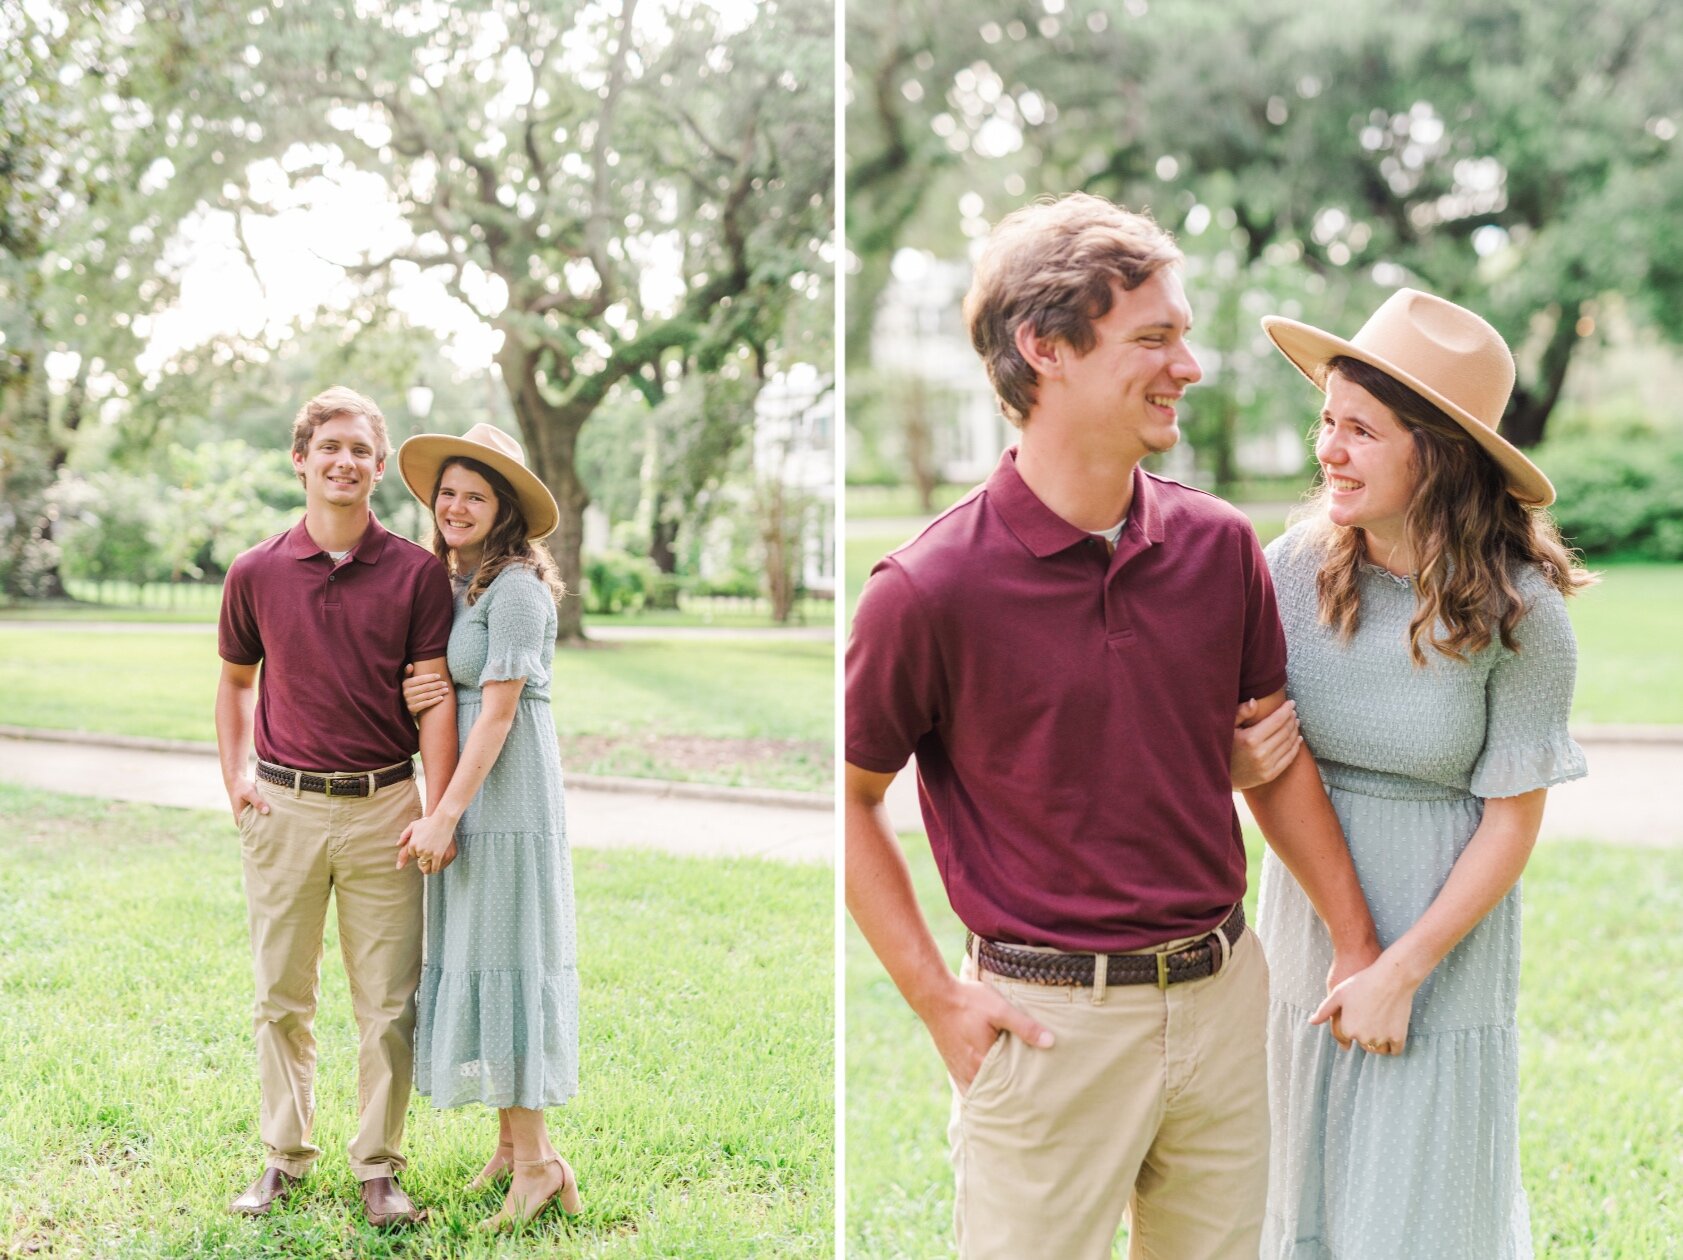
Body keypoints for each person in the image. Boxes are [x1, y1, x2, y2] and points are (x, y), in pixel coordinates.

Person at [844, 192, 1381, 1260]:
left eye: (1183, 336)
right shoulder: (926, 589)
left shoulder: (1221, 547)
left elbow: (1272, 765)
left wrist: (1356, 944)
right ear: (1044, 347)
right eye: (1155, 338)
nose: (1189, 365)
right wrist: (936, 999)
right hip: (1053, 1026)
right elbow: (850, 804)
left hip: (1226, 996)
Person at [1254, 289, 1593, 1258]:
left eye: (1360, 430)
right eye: (1327, 421)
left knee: (1420, 1216)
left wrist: (1402, 968)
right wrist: (1349, 948)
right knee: (1298, 1202)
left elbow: (1511, 821)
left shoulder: (1524, 615)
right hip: (1306, 924)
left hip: (1443, 944)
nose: (1328, 450)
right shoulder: (1288, 571)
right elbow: (1260, 758)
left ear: (1435, 451)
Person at [215, 386, 458, 1226]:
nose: (345, 462)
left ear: (380, 468)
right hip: (281, 808)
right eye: (330, 448)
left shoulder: (419, 575)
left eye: (361, 450)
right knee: (280, 996)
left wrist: (434, 808)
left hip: (384, 806)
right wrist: (233, 776)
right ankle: (283, 1158)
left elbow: (434, 699)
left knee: (388, 1002)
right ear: (302, 459)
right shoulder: (254, 572)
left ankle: (379, 1169)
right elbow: (235, 681)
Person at [393, 422, 582, 1230]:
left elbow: (498, 717)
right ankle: (514, 1149)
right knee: (485, 954)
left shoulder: (514, 590)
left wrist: (442, 813)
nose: (456, 506)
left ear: (503, 508)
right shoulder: (464, 581)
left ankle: (539, 1163)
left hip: (504, 799)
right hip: (471, 791)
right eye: (448, 494)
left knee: (509, 958)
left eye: (475, 495)